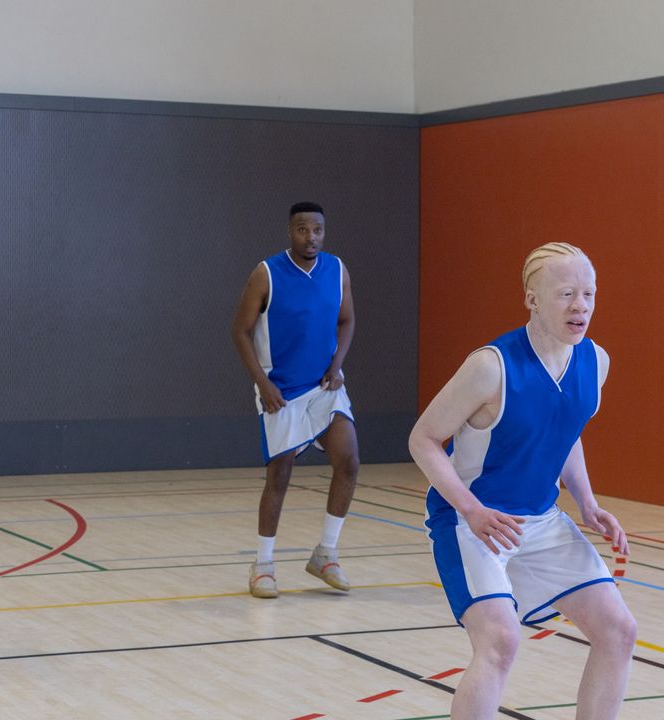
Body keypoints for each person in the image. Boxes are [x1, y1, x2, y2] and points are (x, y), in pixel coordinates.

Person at [409, 242, 637, 720]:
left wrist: (587, 501)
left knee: (618, 630)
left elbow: (565, 431)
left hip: (541, 521)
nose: (581, 306)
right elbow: (424, 439)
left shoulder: (595, 362)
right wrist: (471, 509)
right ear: (532, 299)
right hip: (472, 521)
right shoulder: (490, 366)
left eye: (590, 294)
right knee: (499, 640)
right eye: (567, 294)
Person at [231, 201, 360, 599]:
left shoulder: (337, 270)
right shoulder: (265, 273)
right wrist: (262, 384)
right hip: (282, 391)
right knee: (280, 476)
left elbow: (347, 320)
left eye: (318, 230)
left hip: (324, 388)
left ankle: (326, 553)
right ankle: (263, 564)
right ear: (290, 231)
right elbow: (240, 331)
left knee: (349, 460)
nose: (311, 237)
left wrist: (337, 365)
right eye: (303, 230)